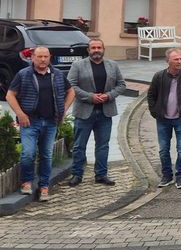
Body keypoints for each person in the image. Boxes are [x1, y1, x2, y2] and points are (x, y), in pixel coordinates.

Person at [5, 46, 74, 201]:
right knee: (28, 153)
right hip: (30, 121)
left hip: (50, 122)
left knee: (46, 155)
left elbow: (71, 92)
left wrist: (63, 109)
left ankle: (44, 186)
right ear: (32, 58)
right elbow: (10, 95)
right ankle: (27, 182)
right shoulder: (23, 74)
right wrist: (21, 114)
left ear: (50, 58)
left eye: (45, 57)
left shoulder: (57, 74)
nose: (43, 60)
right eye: (39, 56)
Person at [67, 38, 127, 187]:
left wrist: (109, 95)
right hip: (84, 112)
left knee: (103, 145)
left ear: (103, 49)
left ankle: (101, 174)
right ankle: (77, 174)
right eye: (93, 48)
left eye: (99, 47)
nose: (96, 50)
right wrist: (90, 97)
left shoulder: (113, 65)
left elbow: (121, 85)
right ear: (88, 50)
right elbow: (70, 85)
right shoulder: (78, 65)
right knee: (79, 145)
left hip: (105, 112)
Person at [146, 48, 181, 189]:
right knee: (164, 149)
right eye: (176, 59)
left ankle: (180, 176)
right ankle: (167, 176)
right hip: (163, 119)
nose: (179, 61)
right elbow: (151, 95)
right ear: (168, 60)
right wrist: (155, 112)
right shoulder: (159, 76)